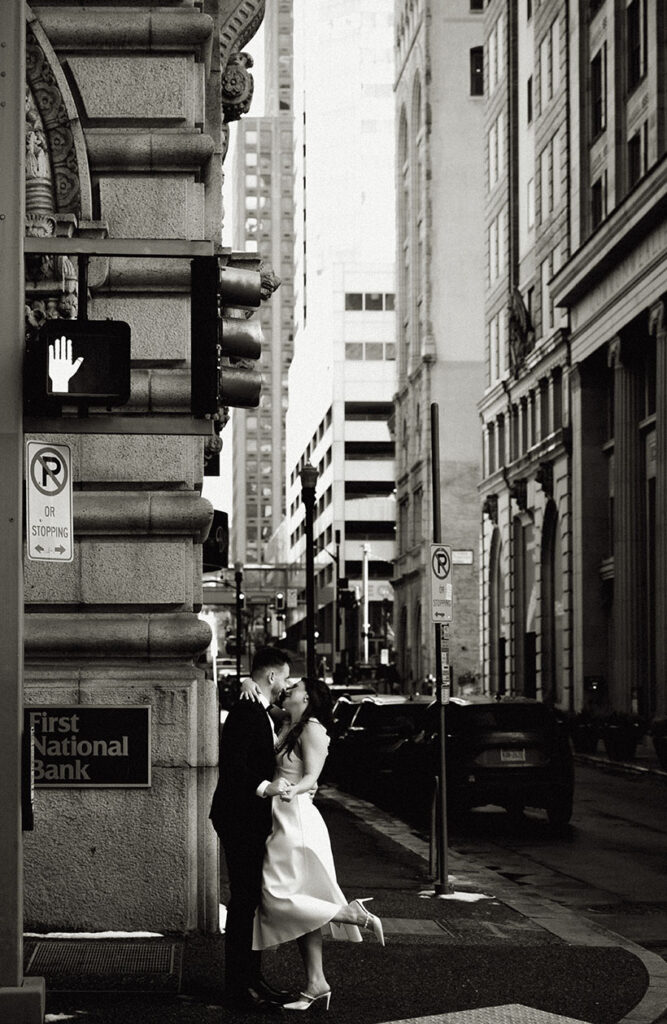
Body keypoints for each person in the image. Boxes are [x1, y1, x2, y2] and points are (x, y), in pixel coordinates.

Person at [251, 676, 385, 1012]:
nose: (288, 688)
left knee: (276, 895)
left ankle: (350, 914)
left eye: (294, 687)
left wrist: (290, 789)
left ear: (307, 697)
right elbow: (263, 700)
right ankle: (316, 983)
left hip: (295, 820)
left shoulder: (311, 728)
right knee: (300, 900)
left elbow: (312, 776)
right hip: (283, 816)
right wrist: (245, 683)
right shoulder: (288, 723)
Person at [209, 646, 295, 1013]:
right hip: (239, 817)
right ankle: (237, 987)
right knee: (244, 903)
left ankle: (250, 979)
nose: (287, 684)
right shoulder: (247, 710)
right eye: (285, 677)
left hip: (247, 817)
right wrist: (267, 787)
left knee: (251, 901)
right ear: (271, 676)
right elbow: (232, 765)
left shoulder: (256, 705)